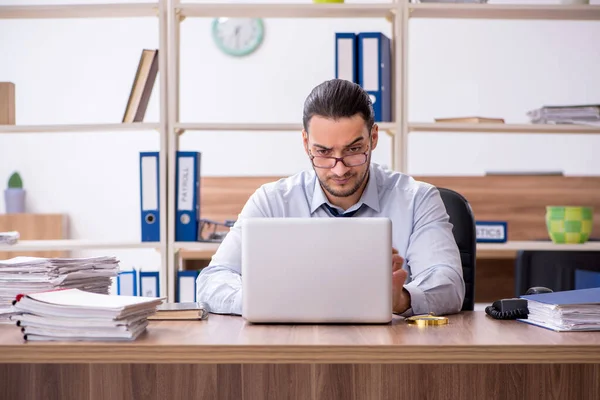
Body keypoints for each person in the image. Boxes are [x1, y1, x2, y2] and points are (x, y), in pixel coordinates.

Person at [196, 79, 465, 317]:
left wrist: (401, 299)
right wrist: (265, 300)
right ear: (305, 144)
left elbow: (449, 283)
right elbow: (212, 280)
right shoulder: (271, 202)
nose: (339, 169)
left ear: (373, 138)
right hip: (292, 353)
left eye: (354, 150)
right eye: (323, 152)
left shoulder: (418, 200)